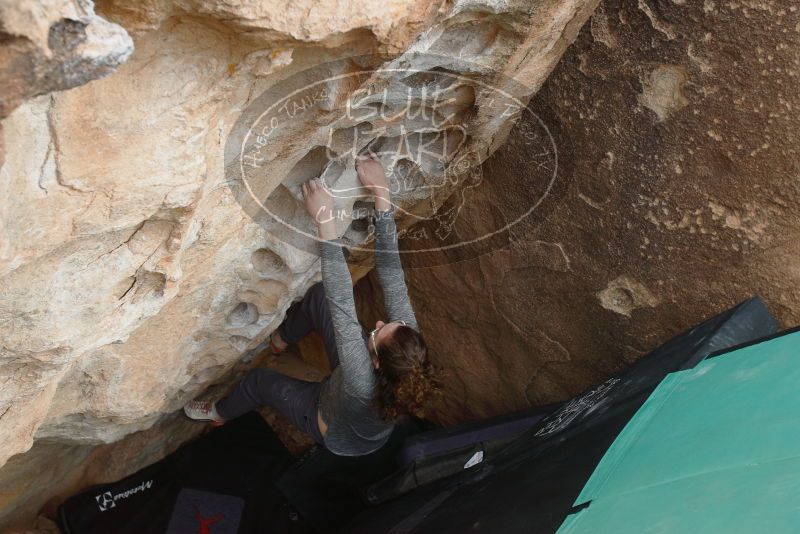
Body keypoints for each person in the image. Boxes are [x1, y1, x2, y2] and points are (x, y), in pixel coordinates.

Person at [184, 155, 439, 456]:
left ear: (376, 363)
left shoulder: (360, 377)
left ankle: (219, 413)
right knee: (317, 297)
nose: (380, 324)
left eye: (377, 333)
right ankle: (280, 341)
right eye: (389, 325)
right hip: (348, 390)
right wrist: (382, 194)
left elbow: (341, 298)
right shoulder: (405, 348)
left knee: (259, 381)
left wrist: (324, 219)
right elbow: (393, 279)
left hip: (330, 420)